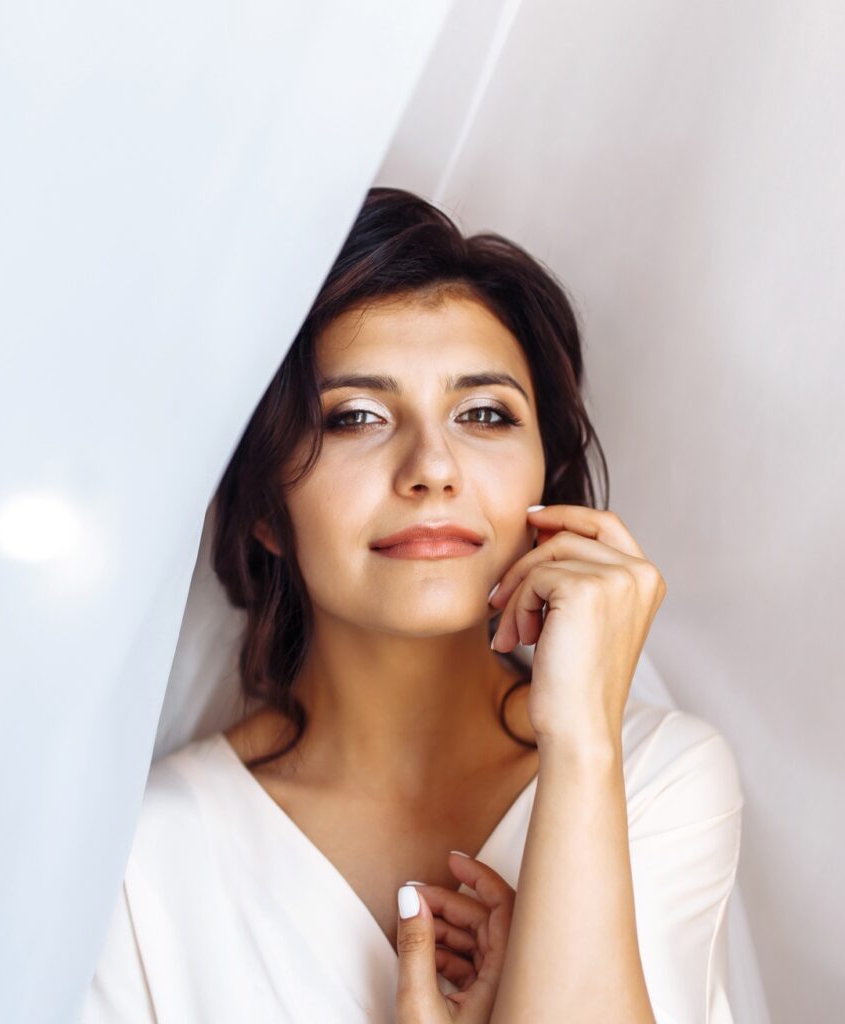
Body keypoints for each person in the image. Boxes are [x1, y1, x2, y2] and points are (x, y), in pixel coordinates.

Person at [81, 187, 743, 1023]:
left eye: (484, 413)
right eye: (357, 416)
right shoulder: (142, 860)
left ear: (547, 481)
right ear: (263, 506)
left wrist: (580, 749)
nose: (433, 466)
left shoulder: (653, 780)